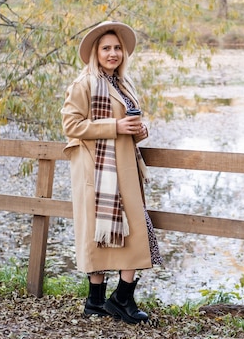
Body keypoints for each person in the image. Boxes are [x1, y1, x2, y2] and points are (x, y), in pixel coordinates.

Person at [61, 20, 162, 324]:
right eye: (107, 48)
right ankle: (103, 301)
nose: (113, 53)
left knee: (133, 229)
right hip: (97, 173)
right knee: (99, 235)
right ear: (96, 52)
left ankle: (118, 299)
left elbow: (126, 125)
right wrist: (115, 127)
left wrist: (138, 130)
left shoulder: (124, 84)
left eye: (117, 48)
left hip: (125, 171)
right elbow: (71, 126)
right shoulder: (84, 84)